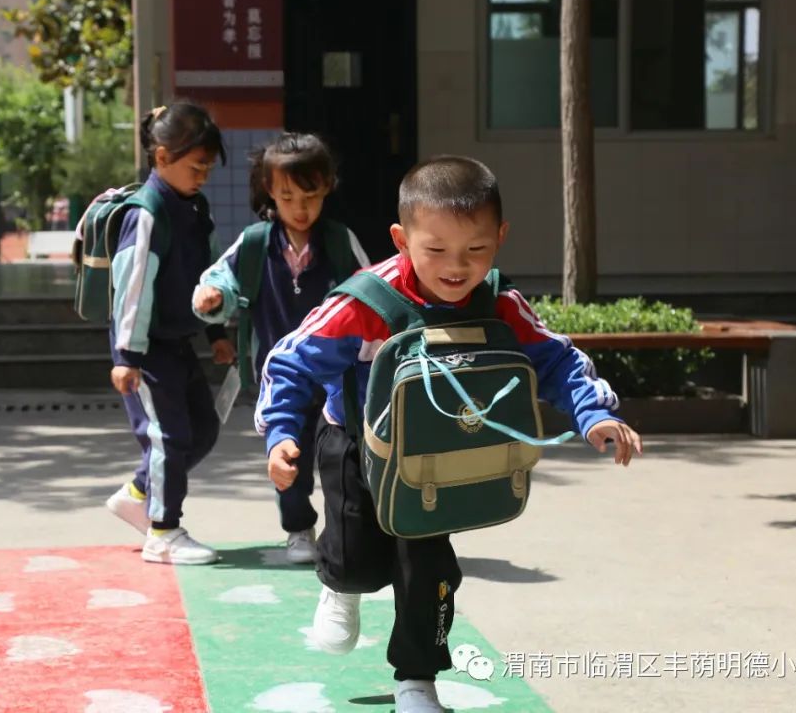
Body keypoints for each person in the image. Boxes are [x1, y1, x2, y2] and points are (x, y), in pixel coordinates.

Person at [257, 156, 643, 713]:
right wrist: (280, 434)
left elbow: (555, 359)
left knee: (430, 570)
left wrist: (595, 415)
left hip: (435, 459)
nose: (456, 267)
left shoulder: (498, 302)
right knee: (359, 563)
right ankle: (339, 583)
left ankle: (417, 679)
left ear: (500, 237)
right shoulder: (364, 304)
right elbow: (291, 362)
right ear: (401, 237)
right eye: (435, 250)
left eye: (476, 250)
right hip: (358, 449)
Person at [192, 132, 369, 563]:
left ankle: (349, 531)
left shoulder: (341, 242)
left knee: (339, 457)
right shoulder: (255, 243)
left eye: (310, 195)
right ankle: (298, 529)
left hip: (335, 377)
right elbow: (220, 280)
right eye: (288, 197)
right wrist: (213, 299)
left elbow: (372, 290)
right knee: (287, 455)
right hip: (279, 378)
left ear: (327, 186)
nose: (300, 207)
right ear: (270, 190)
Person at [102, 102, 236, 565]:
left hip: (178, 339)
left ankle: (137, 494)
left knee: (202, 430)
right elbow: (132, 288)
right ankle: (162, 530)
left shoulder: (195, 207)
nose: (202, 176)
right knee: (168, 437)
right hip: (145, 347)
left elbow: (212, 275)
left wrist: (217, 331)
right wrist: (126, 355)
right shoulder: (147, 212)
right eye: (195, 167)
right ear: (161, 158)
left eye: (207, 169)